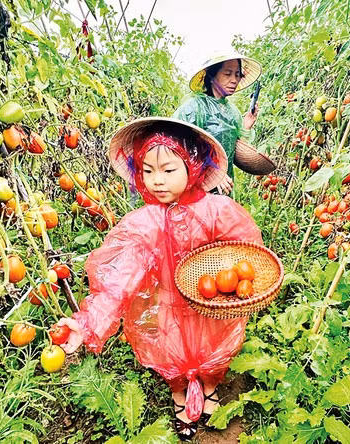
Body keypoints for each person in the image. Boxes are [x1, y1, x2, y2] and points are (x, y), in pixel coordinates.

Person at [56, 117, 263, 440]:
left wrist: (236, 279)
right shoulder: (144, 223)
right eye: (148, 171)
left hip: (209, 304)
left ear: (192, 166)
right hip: (165, 302)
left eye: (168, 170)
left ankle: (208, 388)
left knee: (213, 350)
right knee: (170, 355)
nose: (157, 181)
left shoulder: (217, 210)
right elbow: (118, 280)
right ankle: (180, 395)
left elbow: (245, 252)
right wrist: (87, 322)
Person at [173, 54, 262, 195]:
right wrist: (212, 172)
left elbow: (234, 150)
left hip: (224, 190)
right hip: (194, 190)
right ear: (211, 76)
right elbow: (176, 147)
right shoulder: (194, 107)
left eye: (238, 74)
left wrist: (246, 125)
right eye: (227, 73)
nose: (234, 80)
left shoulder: (233, 113)